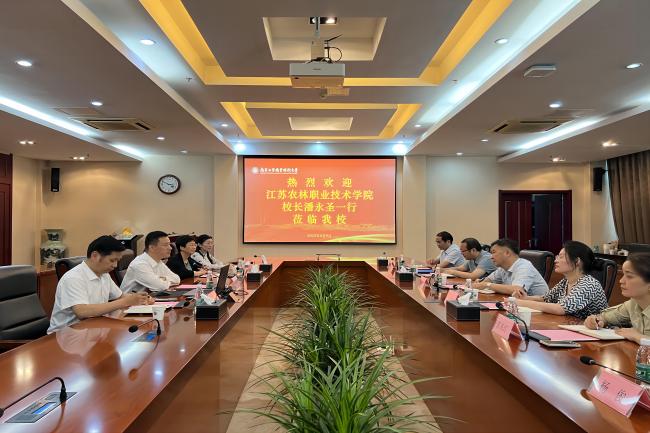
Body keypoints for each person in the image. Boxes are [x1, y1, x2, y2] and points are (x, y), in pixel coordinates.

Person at [48, 236, 153, 334]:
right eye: (112, 260)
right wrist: (125, 302)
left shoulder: (104, 274)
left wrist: (141, 298)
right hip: (66, 334)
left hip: (93, 328)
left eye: (117, 261)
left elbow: (121, 296)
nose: (115, 265)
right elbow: (82, 311)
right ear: (95, 256)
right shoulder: (73, 278)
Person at [512, 241, 608, 319]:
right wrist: (525, 298)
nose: (555, 260)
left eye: (561, 257)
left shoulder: (589, 284)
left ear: (577, 261)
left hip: (596, 332)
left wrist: (520, 303)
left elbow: (561, 308)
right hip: (572, 327)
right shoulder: (566, 281)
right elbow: (545, 298)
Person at [585, 253, 650, 344]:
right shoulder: (633, 304)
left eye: (629, 276)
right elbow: (605, 317)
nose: (621, 281)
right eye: (623, 275)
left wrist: (638, 337)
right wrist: (597, 321)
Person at [473, 238, 548, 296]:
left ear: (507, 253)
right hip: (518, 304)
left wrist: (487, 285)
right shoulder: (503, 268)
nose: (491, 257)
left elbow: (517, 290)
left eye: (493, 252)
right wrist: (480, 282)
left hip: (537, 307)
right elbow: (488, 280)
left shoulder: (524, 267)